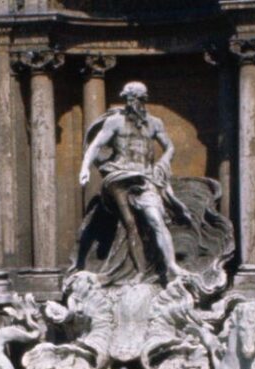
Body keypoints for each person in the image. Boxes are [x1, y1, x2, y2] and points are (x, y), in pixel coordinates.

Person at [77, 81, 192, 284]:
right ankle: (139, 271)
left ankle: (172, 265)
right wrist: (85, 167)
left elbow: (170, 147)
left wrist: (163, 162)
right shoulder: (115, 122)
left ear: (144, 100)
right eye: (130, 98)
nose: (133, 102)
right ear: (125, 99)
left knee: (156, 219)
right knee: (130, 224)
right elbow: (95, 145)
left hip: (145, 177)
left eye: (137, 98)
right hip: (119, 175)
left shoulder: (155, 123)